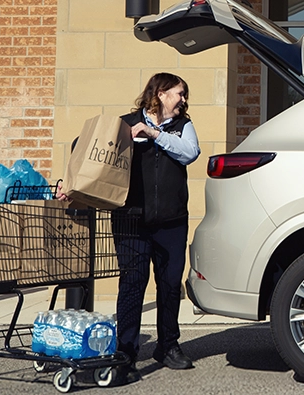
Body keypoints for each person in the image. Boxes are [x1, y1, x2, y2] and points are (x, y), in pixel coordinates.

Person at [111, 72, 202, 383]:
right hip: (130, 220)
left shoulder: (183, 126)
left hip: (172, 222)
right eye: (179, 94)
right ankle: (125, 354)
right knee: (133, 285)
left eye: (184, 95)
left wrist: (153, 134)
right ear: (161, 93)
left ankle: (168, 346)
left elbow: (190, 153)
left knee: (168, 285)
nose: (183, 100)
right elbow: (99, 160)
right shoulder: (124, 122)